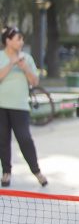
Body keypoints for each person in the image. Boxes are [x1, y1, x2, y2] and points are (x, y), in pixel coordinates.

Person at [0, 25, 46, 188]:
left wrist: (24, 67)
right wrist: (11, 64)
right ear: (8, 40)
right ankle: (6, 172)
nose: (21, 41)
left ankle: (37, 171)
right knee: (3, 140)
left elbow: (35, 81)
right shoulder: (1, 57)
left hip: (20, 107)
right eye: (18, 38)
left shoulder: (27, 58)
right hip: (1, 107)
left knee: (25, 139)